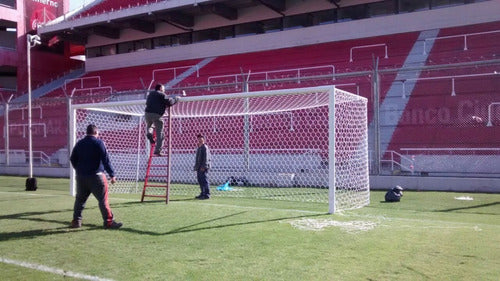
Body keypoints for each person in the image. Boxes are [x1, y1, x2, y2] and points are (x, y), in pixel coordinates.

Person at [70, 124, 122, 229]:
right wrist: (112, 174)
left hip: (81, 177)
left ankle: (76, 221)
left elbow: (72, 158)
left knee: (80, 200)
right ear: (96, 132)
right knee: (103, 200)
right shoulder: (99, 143)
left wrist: (79, 170)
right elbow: (105, 160)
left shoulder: (79, 143)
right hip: (96, 177)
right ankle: (108, 222)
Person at [144, 84, 180, 156]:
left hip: (147, 113)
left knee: (150, 125)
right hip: (157, 115)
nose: (164, 90)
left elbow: (148, 103)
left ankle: (149, 132)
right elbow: (170, 102)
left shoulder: (150, 94)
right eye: (163, 89)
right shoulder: (162, 94)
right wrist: (176, 98)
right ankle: (158, 150)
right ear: (160, 88)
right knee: (160, 133)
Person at [194, 134, 211, 199]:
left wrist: (204, 166)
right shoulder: (199, 147)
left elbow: (206, 158)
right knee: (200, 180)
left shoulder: (204, 147)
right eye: (198, 138)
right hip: (199, 166)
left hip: (203, 167)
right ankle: (202, 193)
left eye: (201, 138)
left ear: (204, 139)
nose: (199, 139)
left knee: (204, 180)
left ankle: (207, 194)